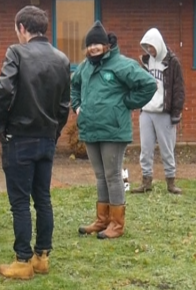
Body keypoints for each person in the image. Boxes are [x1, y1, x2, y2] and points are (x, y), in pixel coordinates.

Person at [0, 6, 71, 280]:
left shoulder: (16, 52)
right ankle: (42, 256)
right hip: (46, 137)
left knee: (19, 203)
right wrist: (55, 130)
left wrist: (1, 123)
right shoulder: (62, 58)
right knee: (43, 198)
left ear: (22, 28)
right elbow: (65, 103)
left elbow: (4, 90)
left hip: (20, 137)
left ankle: (23, 260)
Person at [71, 21, 156, 240]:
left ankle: (117, 224)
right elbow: (74, 85)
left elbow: (148, 84)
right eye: (90, 45)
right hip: (91, 129)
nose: (93, 48)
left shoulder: (122, 65)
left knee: (112, 175)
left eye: (97, 44)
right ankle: (102, 220)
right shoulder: (85, 66)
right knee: (100, 176)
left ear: (107, 45)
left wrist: (127, 102)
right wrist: (77, 106)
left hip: (113, 131)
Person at [130, 27, 185, 194]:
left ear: (158, 44)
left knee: (167, 148)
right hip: (146, 110)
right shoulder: (146, 61)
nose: (149, 50)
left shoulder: (172, 62)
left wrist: (176, 112)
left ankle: (171, 182)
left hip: (164, 112)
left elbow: (178, 88)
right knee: (146, 148)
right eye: (147, 47)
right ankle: (146, 181)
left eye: (151, 46)